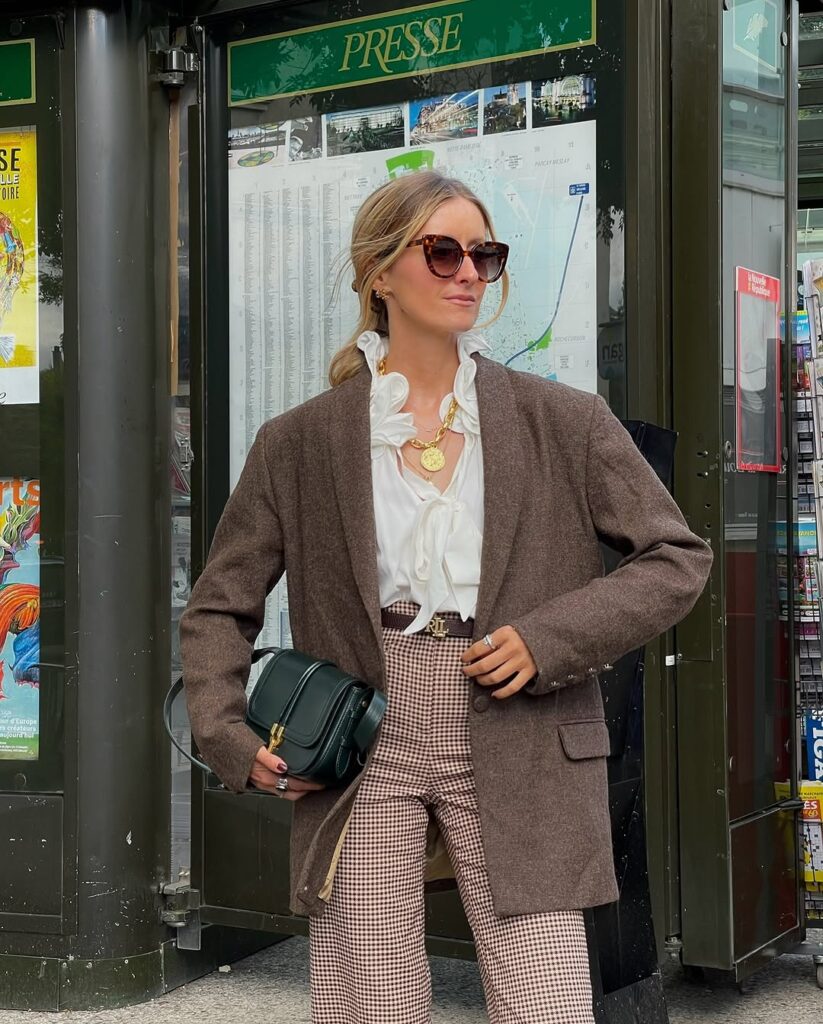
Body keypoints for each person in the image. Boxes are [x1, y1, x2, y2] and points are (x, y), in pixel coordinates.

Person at [180, 170, 713, 1024]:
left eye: (485, 255)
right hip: (360, 733)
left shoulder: (562, 420)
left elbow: (675, 557)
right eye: (443, 251)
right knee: (371, 1001)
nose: (469, 272)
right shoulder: (300, 442)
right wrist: (224, 731)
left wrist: (549, 637)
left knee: (544, 997)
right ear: (379, 271)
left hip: (522, 717)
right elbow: (220, 605)